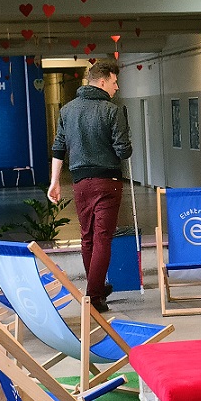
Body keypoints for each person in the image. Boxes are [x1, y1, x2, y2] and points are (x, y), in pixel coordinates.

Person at [47, 59, 131, 313]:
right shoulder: (112, 111)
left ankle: (98, 288)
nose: (117, 87)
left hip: (80, 182)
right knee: (103, 238)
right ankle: (94, 296)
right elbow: (123, 151)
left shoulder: (67, 110)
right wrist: (125, 134)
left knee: (87, 237)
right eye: (114, 82)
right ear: (102, 81)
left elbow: (59, 148)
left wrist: (54, 182)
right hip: (108, 182)